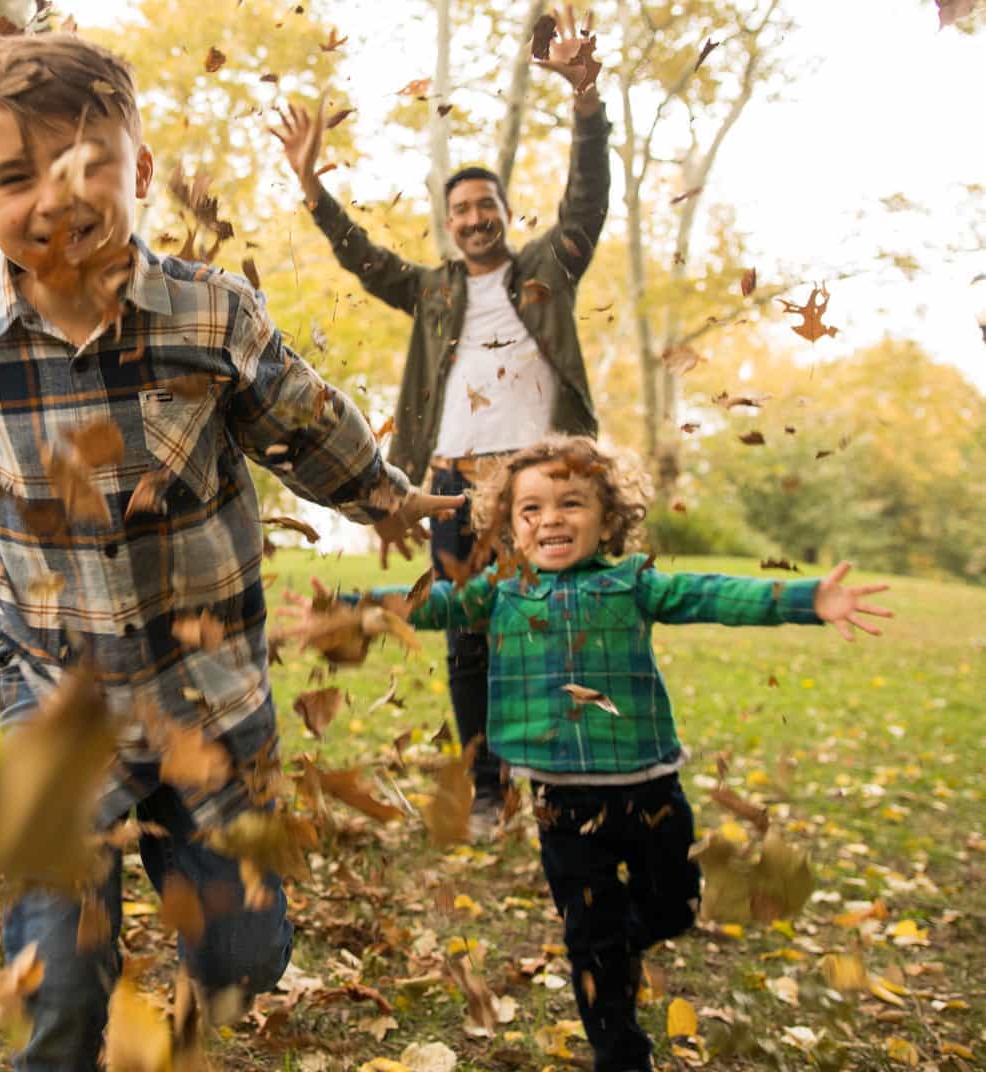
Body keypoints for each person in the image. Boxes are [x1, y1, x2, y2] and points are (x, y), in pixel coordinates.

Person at [0, 31, 465, 1071]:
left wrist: (385, 501)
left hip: (204, 685)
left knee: (242, 949)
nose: (54, 197)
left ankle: (203, 985)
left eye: (86, 165)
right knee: (58, 976)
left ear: (136, 170)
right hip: (57, 683)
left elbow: (305, 422)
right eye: (12, 177)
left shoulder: (212, 315)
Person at [288, 434, 892, 1072]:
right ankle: (619, 1049)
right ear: (507, 525)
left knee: (675, 905)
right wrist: (349, 613)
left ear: (609, 516)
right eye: (531, 509)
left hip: (650, 789)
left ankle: (616, 947)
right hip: (562, 804)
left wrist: (807, 600)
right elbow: (425, 605)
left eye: (571, 503)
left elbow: (714, 594)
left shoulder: (633, 582)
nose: (551, 518)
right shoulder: (497, 591)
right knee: (589, 933)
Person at [271, 6, 613, 833]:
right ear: (449, 224)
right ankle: (486, 788)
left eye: (484, 206)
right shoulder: (433, 292)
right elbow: (363, 260)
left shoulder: (546, 268)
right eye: (458, 211)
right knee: (467, 634)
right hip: (457, 484)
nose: (472, 219)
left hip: (538, 478)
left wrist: (587, 100)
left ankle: (558, 785)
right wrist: (312, 187)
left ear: (503, 211)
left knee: (552, 627)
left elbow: (587, 201)